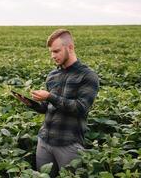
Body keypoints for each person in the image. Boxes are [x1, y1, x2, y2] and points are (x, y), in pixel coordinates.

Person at [30, 29, 99, 177]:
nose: (53, 56)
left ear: (70, 47)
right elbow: (47, 108)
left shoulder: (88, 76)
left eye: (56, 51)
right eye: (51, 52)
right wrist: (32, 103)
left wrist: (49, 96)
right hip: (44, 141)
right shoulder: (52, 75)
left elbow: (80, 108)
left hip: (69, 143)